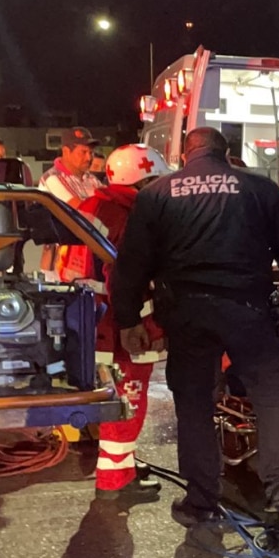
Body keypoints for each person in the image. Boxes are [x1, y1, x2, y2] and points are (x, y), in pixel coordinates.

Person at [112, 127, 279, 528]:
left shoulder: (156, 195)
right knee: (270, 396)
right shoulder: (259, 188)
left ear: (184, 156)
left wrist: (129, 318)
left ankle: (201, 500)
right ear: (226, 154)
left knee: (194, 403)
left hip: (186, 312)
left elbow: (132, 263)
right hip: (248, 309)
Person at [61, 145, 171, 502]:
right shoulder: (132, 213)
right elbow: (125, 275)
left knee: (114, 395)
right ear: (143, 180)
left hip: (87, 318)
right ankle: (115, 479)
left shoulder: (92, 205)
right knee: (128, 398)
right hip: (121, 324)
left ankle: (123, 464)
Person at [39, 128, 102, 207]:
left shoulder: (92, 179)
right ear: (66, 151)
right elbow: (80, 209)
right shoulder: (52, 178)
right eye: (83, 152)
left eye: (91, 152)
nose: (89, 158)